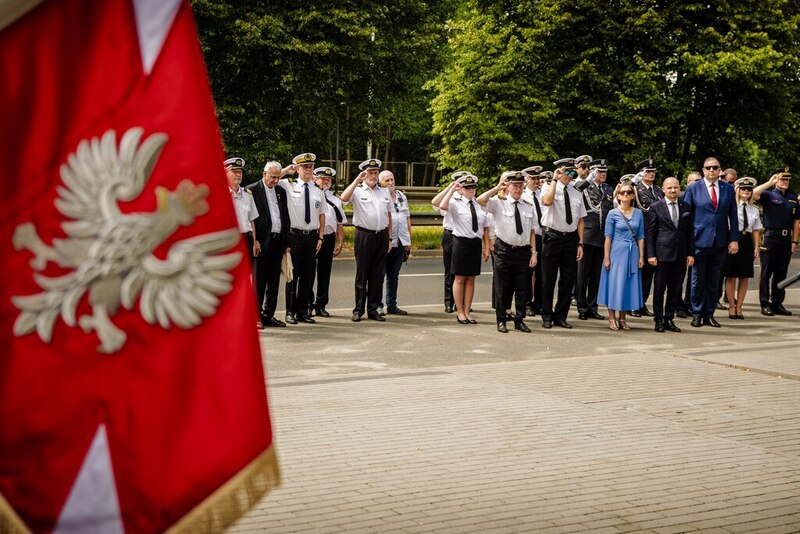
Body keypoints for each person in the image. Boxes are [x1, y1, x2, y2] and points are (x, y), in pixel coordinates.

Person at [477, 171, 538, 333]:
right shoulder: (499, 202)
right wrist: (497, 188)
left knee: (522, 288)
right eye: (514, 185)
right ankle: (501, 319)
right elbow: (480, 200)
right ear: (508, 186)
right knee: (502, 287)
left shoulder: (528, 205)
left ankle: (519, 319)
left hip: (523, 251)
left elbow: (532, 231)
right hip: (504, 250)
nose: (517, 189)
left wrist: (534, 252)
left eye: (520, 185)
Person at [682, 156, 739, 327]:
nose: (712, 170)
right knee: (697, 280)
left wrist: (734, 239)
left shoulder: (727, 189)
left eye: (715, 167)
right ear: (703, 170)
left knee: (714, 280)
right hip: (699, 240)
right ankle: (697, 313)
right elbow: (686, 217)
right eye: (708, 167)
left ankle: (709, 314)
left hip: (720, 241)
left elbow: (733, 216)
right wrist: (687, 242)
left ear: (720, 170)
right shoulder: (693, 188)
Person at [340, 158, 392, 322]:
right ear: (364, 173)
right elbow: (343, 199)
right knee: (362, 275)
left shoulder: (384, 192)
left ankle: (373, 309)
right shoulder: (357, 190)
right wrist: (357, 180)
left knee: (378, 275)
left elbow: (389, 215)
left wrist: (390, 238)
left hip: (381, 235)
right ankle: (358, 309)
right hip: (364, 235)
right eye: (370, 172)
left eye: (375, 172)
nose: (373, 175)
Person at [278, 153, 325, 325]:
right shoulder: (289, 185)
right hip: (294, 236)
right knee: (293, 275)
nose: (308, 169)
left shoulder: (318, 189)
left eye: (311, 167)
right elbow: (272, 178)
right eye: (305, 167)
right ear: (298, 168)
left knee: (308, 276)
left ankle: (303, 311)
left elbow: (322, 215)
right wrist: (286, 170)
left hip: (311, 237)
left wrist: (320, 237)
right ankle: (290, 312)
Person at [539, 158, 587, 329]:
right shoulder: (548, 187)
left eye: (573, 172)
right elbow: (547, 201)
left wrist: (580, 243)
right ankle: (547, 315)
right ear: (559, 171)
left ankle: (561, 316)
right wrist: (554, 179)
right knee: (548, 279)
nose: (570, 175)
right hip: (552, 237)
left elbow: (581, 220)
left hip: (570, 239)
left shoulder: (576, 191)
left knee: (567, 280)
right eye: (567, 171)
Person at [439, 174, 491, 324]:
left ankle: (467, 310)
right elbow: (442, 205)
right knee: (460, 278)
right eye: (467, 187)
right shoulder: (456, 203)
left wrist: (487, 247)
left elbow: (485, 227)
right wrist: (452, 189)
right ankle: (460, 311)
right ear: (461, 189)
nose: (471, 190)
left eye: (473, 187)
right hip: (461, 242)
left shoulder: (478, 205)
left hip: (475, 243)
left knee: (471, 278)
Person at [646, 177, 694, 332]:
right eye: (670, 188)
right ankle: (658, 320)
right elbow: (650, 233)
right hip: (662, 255)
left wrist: (690, 253)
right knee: (659, 289)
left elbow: (689, 232)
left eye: (676, 187)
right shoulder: (656, 207)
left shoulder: (686, 206)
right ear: (663, 189)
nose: (673, 190)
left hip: (680, 255)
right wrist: (651, 254)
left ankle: (669, 319)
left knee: (675, 289)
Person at [247, 161, 289, 328]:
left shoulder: (280, 191)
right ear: (264, 174)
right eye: (273, 177)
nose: (276, 181)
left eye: (278, 177)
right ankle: (255, 316)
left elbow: (285, 217)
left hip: (277, 241)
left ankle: (268, 315)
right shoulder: (252, 190)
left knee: (273, 281)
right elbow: (250, 218)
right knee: (259, 281)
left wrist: (287, 243)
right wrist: (254, 240)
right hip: (261, 242)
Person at [752, 168, 800, 316]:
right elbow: (754, 194)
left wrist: (794, 241)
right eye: (782, 179)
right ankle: (765, 303)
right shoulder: (768, 195)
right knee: (766, 272)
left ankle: (777, 303)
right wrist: (769, 182)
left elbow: (796, 222)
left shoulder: (792, 198)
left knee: (781, 273)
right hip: (771, 237)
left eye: (787, 179)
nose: (785, 182)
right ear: (775, 180)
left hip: (786, 239)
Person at [598, 183, 645, 331]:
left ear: (633, 195)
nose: (625, 194)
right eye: (622, 192)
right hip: (616, 253)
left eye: (628, 192)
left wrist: (641, 256)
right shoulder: (612, 213)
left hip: (632, 252)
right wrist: (607, 257)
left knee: (627, 285)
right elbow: (608, 237)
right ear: (617, 195)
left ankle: (623, 318)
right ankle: (612, 317)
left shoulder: (638, 213)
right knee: (614, 284)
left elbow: (641, 236)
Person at [576, 158, 613, 321]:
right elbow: (576, 190)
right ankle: (582, 307)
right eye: (599, 171)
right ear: (592, 172)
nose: (603, 174)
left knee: (596, 275)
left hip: (602, 236)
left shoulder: (608, 189)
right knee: (582, 274)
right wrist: (587, 180)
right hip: (588, 235)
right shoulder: (584, 186)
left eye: (604, 172)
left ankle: (593, 306)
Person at [722, 177, 761, 320]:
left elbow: (756, 230)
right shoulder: (731, 207)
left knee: (744, 276)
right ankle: (731, 306)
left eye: (749, 189)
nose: (746, 191)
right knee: (731, 275)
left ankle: (739, 306)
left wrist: (756, 247)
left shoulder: (754, 209)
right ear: (737, 190)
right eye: (743, 189)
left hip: (746, 242)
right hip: (733, 239)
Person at [310, 166, 345, 317]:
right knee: (308, 273)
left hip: (329, 238)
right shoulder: (310, 194)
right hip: (312, 237)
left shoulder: (335, 199)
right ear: (315, 178)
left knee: (324, 273)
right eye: (323, 178)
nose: (326, 181)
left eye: (328, 179)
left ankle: (321, 305)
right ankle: (307, 304)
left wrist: (340, 243)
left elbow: (340, 223)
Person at [630, 159, 663, 317]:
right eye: (647, 171)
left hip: (655, 235)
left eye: (653, 171)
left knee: (649, 272)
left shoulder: (658, 190)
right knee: (637, 271)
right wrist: (633, 181)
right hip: (640, 235)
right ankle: (632, 305)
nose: (651, 174)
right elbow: (621, 195)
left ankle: (641, 303)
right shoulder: (636, 189)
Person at [432, 171, 467, 313]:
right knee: (450, 270)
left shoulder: (469, 197)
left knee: (464, 271)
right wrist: (450, 188)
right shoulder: (449, 197)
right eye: (459, 182)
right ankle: (449, 301)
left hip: (464, 237)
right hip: (451, 235)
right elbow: (435, 203)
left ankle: (462, 302)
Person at [380, 170, 411, 315]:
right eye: (387, 180)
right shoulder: (380, 196)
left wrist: (408, 239)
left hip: (400, 240)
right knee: (379, 275)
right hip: (385, 242)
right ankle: (377, 305)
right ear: (381, 182)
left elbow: (407, 218)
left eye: (392, 179)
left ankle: (391, 305)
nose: (390, 182)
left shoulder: (401, 196)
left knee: (393, 276)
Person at [225, 157, 260, 266]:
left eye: (240, 172)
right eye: (234, 172)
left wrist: (254, 241)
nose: (238, 175)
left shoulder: (247, 194)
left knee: (248, 271)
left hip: (247, 239)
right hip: (230, 240)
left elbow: (252, 220)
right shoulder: (220, 194)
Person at [677, 171, 702, 318]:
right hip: (681, 241)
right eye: (694, 181)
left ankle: (689, 303)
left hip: (697, 240)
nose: (697, 184)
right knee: (678, 276)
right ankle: (678, 305)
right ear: (688, 183)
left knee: (694, 276)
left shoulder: (704, 197)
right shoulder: (680, 198)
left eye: (699, 180)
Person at [521, 166, 544, 317]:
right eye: (533, 178)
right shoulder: (523, 196)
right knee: (528, 272)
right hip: (529, 237)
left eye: (538, 178)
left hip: (544, 236)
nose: (536, 181)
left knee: (542, 273)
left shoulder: (544, 194)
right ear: (526, 180)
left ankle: (539, 304)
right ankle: (527, 303)